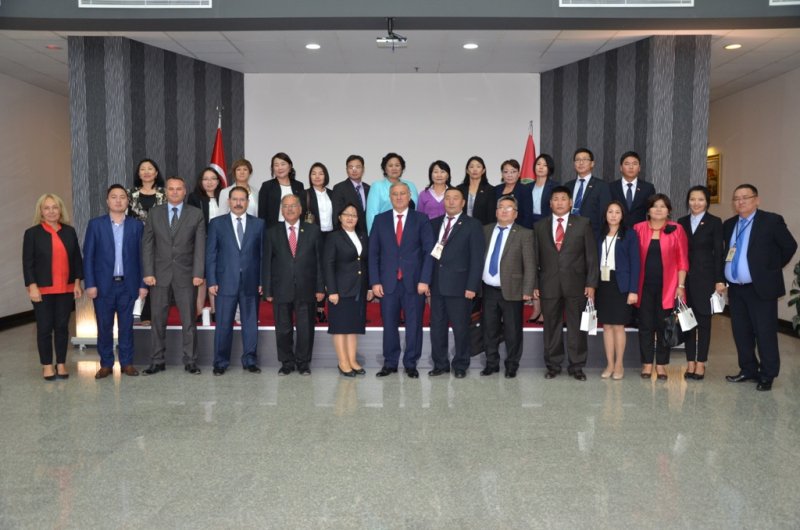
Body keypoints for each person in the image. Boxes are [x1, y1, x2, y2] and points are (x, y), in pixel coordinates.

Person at [723, 184, 797, 392]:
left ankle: (767, 374)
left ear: (757, 200)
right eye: (736, 198)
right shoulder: (729, 224)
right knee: (741, 332)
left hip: (761, 288)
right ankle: (748, 369)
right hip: (736, 289)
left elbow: (789, 246)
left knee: (765, 332)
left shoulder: (771, 221)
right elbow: (726, 253)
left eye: (745, 197)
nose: (740, 201)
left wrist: (770, 269)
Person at [141, 176, 206, 375]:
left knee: (189, 321)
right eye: (171, 189)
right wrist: (148, 272)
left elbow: (200, 246)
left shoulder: (196, 214)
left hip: (186, 275)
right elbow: (147, 244)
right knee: (157, 320)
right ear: (166, 192)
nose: (175, 192)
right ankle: (157, 360)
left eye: (179, 189)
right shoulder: (154, 213)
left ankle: (190, 361)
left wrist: (198, 273)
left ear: (185, 191)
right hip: (159, 275)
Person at [533, 186, 599, 381]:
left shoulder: (583, 223)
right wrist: (535, 284)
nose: (559, 202)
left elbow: (591, 256)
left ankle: (576, 366)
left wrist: (591, 283)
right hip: (549, 284)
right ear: (550, 203)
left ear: (570, 203)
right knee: (551, 327)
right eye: (555, 199)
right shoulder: (540, 226)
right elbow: (535, 258)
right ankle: (553, 365)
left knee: (576, 327)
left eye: (563, 199)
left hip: (576, 284)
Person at [369, 181, 434, 378]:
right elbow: (373, 253)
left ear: (409, 196)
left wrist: (425, 280)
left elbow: (429, 252)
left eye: (402, 193)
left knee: (414, 324)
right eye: (395, 194)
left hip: (414, 283)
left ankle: (411, 363)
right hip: (387, 283)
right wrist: (375, 281)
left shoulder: (421, 219)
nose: (399, 197)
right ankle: (390, 362)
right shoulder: (380, 220)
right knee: (389, 324)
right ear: (390, 197)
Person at [83, 184, 147, 379]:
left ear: (128, 201)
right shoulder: (96, 225)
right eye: (114, 197)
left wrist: (143, 285)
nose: (118, 200)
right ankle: (106, 364)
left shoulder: (137, 226)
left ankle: (127, 363)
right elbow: (88, 256)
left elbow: (143, 257)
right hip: (103, 286)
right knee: (104, 327)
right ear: (107, 201)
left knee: (126, 327)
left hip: (128, 285)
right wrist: (90, 284)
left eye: (122, 197)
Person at [262, 194, 325, 376]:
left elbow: (319, 261)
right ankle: (286, 362)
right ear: (281, 210)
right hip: (281, 287)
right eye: (286, 206)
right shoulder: (272, 232)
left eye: (293, 205)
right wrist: (268, 289)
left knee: (306, 328)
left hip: (307, 286)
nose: (289, 209)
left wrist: (320, 287)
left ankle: (303, 363)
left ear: (300, 209)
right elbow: (267, 263)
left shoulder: (313, 230)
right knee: (283, 328)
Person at [22, 193, 83, 381]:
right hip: (42, 290)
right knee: (44, 328)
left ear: (60, 210)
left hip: (66, 288)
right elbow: (28, 263)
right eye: (47, 208)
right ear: (41, 211)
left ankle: (61, 363)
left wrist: (77, 283)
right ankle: (47, 365)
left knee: (62, 327)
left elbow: (76, 259)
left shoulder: (69, 231)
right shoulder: (32, 233)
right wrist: (32, 286)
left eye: (55, 207)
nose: (51, 211)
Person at [206, 186, 265, 376]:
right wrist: (212, 281)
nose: (238, 203)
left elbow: (262, 256)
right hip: (224, 282)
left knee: (250, 324)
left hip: (251, 281)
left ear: (247, 202)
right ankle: (220, 362)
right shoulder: (217, 224)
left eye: (242, 200)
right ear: (228, 201)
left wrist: (262, 280)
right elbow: (211, 254)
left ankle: (250, 360)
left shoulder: (259, 224)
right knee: (223, 324)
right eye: (235, 199)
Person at [427, 188, 485, 378]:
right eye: (447, 198)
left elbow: (477, 258)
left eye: (455, 198)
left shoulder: (473, 225)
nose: (451, 202)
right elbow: (429, 256)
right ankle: (440, 364)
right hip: (437, 285)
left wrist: (472, 286)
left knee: (461, 328)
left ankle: (460, 364)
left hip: (461, 287)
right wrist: (427, 282)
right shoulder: (434, 223)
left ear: (463, 202)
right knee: (437, 328)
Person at [632, 194, 689, 380]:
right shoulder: (638, 228)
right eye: (654, 206)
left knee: (664, 325)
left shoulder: (677, 229)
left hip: (669, 287)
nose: (658, 209)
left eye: (663, 206)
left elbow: (682, 260)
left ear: (668, 211)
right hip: (643, 287)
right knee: (645, 326)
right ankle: (647, 363)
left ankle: (662, 365)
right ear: (648, 210)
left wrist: (681, 285)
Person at [480, 195, 535, 378]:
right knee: (489, 329)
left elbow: (530, 264)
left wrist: (527, 290)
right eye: (501, 207)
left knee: (513, 331)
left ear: (516, 213)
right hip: (488, 288)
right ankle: (491, 363)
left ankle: (512, 365)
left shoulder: (524, 233)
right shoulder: (486, 230)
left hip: (513, 289)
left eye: (509, 208)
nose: (504, 211)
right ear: (496, 212)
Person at [677, 186, 725, 380]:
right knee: (687, 322)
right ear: (688, 201)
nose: (696, 203)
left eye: (700, 199)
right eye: (692, 199)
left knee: (704, 323)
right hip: (685, 279)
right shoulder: (681, 222)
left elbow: (719, 253)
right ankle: (690, 362)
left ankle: (701, 363)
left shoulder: (715, 222)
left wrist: (719, 280)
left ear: (707, 202)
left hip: (706, 280)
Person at [323, 203, 373, 376]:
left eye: (354, 215)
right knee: (340, 327)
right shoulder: (334, 237)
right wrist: (332, 291)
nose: (350, 218)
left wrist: (369, 286)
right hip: (340, 289)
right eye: (347, 214)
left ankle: (352, 360)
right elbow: (328, 264)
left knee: (353, 327)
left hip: (359, 288)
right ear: (340, 217)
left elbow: (366, 262)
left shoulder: (362, 235)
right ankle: (343, 362)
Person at [594, 201, 640, 380]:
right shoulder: (599, 234)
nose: (613, 215)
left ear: (622, 215)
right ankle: (610, 364)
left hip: (621, 284)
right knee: (606, 326)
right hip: (603, 283)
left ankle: (619, 364)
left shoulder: (629, 234)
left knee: (619, 326)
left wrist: (633, 290)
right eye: (610, 212)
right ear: (605, 214)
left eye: (617, 212)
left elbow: (635, 263)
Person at [187, 166, 224, 321]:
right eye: (205, 179)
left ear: (218, 181)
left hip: (222, 242)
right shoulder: (194, 198)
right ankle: (199, 311)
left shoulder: (224, 196)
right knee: (201, 277)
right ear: (200, 182)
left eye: (213, 179)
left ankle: (216, 311)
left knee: (216, 276)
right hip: (201, 242)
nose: (209, 182)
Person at [305, 162, 335, 323]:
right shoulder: (305, 194)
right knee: (315, 270)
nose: (317, 176)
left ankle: (325, 307)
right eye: (314, 173)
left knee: (328, 269)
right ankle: (316, 307)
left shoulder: (333, 194)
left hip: (331, 236)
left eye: (321, 173)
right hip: (312, 236)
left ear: (326, 176)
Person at [365, 152, 419, 234]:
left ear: (402, 168)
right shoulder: (377, 186)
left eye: (397, 165)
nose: (394, 168)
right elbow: (371, 215)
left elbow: (417, 211)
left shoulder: (411, 185)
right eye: (390, 166)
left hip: (410, 231)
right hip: (386, 232)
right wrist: (373, 236)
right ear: (385, 169)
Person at [564, 147, 611, 240]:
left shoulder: (602, 186)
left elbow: (604, 213)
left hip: (592, 234)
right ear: (574, 164)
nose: (581, 163)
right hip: (569, 233)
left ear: (592, 163)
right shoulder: (568, 186)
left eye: (585, 159)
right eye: (578, 160)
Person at [258, 152, 306, 228]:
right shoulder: (267, 186)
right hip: (274, 229)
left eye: (283, 164)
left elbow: (302, 209)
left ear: (290, 167)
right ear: (273, 168)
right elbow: (262, 213)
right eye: (276, 165)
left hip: (295, 228)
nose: (280, 168)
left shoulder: (299, 185)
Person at [609, 151, 656, 227]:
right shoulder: (611, 187)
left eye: (634, 164)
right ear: (621, 168)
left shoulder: (648, 188)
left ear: (639, 168)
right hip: (617, 229)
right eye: (627, 164)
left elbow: (652, 212)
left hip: (640, 230)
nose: (631, 167)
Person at [332, 154, 370, 234]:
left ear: (363, 169)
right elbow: (336, 216)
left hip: (367, 234)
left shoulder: (369, 188)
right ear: (347, 170)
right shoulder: (339, 188)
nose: (354, 170)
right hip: (348, 234)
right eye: (351, 167)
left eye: (358, 167)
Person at [456, 155, 495, 226]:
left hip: (482, 228)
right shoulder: (459, 189)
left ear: (483, 170)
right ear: (467, 170)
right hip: (461, 227)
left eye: (478, 167)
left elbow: (491, 215)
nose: (475, 169)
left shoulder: (490, 190)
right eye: (471, 167)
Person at [494, 159, 533, 229]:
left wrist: (523, 232)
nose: (509, 175)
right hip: (498, 227)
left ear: (518, 174)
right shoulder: (496, 189)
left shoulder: (524, 189)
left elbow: (527, 215)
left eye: (513, 172)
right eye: (506, 172)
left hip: (518, 228)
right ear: (502, 174)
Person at [128, 158, 166, 222]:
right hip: (135, 228)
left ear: (156, 173)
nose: (146, 172)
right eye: (142, 169)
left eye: (150, 169)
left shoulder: (165, 193)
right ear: (139, 174)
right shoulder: (129, 194)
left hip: (160, 228)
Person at [530, 154, 559, 225]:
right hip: (529, 223)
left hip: (548, 222)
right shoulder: (528, 187)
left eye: (545, 165)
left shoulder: (555, 187)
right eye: (538, 164)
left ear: (549, 168)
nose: (541, 167)